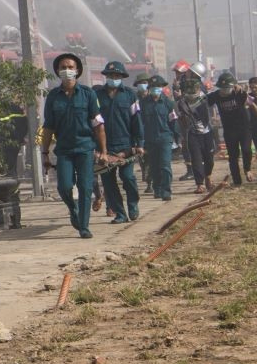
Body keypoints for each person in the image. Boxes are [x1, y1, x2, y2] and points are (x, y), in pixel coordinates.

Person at [40, 52, 111, 237]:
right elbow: (48, 127)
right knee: (63, 186)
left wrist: (103, 151)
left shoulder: (88, 94)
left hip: (85, 148)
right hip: (64, 150)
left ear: (77, 71)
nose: (67, 70)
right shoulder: (53, 97)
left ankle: (84, 226)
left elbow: (98, 124)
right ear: (57, 71)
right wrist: (44, 152)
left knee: (86, 187)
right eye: (63, 67)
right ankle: (73, 209)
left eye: (70, 67)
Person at [95, 60, 145, 223]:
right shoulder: (97, 96)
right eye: (110, 75)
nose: (113, 78)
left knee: (128, 177)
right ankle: (120, 213)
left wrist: (139, 144)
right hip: (104, 148)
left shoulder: (130, 95)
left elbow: (136, 120)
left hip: (126, 146)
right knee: (109, 184)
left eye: (116, 75)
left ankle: (133, 204)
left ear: (122, 77)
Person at [208, 72, 254, 188]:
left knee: (246, 150)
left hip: (244, 128)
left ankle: (247, 169)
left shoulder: (238, 93)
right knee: (233, 156)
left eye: (228, 88)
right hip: (229, 130)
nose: (225, 91)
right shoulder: (216, 96)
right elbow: (204, 101)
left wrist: (240, 89)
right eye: (223, 88)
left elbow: (248, 99)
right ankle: (237, 180)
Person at [174, 71, 216, 193]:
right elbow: (181, 119)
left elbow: (216, 98)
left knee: (209, 159)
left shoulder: (204, 98)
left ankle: (208, 176)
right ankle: (199, 183)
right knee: (196, 159)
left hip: (207, 133)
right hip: (193, 134)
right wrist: (182, 134)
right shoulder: (181, 103)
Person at [139, 75, 179, 201]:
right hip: (150, 139)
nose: (155, 89)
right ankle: (157, 189)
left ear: (162, 88)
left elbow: (173, 122)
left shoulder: (168, 103)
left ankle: (166, 191)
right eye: (153, 87)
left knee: (165, 165)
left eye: (158, 87)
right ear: (149, 89)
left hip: (165, 138)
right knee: (154, 166)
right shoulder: (143, 103)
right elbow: (140, 123)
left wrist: (178, 139)